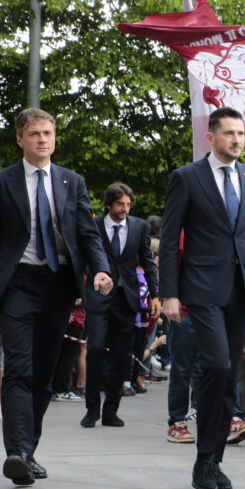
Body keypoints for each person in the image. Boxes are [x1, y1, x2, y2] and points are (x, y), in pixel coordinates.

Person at [0, 108, 112, 485]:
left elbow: (88, 234)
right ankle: (16, 451)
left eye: (48, 133)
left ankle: (27, 452)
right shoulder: (0, 183)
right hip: (17, 284)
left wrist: (100, 269)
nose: (42, 140)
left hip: (59, 284)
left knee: (44, 374)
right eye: (34, 134)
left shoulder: (72, 182)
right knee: (19, 367)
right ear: (20, 139)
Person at [160, 107, 245, 489]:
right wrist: (167, 292)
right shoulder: (187, 178)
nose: (237, 140)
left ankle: (214, 458)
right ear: (212, 137)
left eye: (241, 134)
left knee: (227, 371)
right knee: (217, 365)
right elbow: (169, 240)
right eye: (229, 133)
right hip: (200, 290)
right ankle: (204, 459)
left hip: (240, 290)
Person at [81, 183, 159, 429]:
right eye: (119, 204)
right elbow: (83, 259)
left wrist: (155, 294)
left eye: (127, 204)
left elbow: (147, 261)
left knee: (120, 355)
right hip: (99, 295)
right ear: (108, 205)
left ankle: (111, 410)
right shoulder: (94, 226)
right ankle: (91, 408)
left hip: (126, 298)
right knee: (94, 349)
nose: (124, 209)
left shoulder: (138, 227)